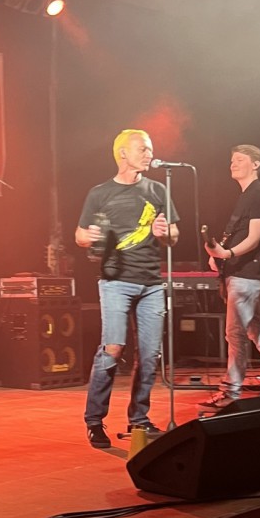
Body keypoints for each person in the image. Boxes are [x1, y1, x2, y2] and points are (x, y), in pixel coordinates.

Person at [76, 129, 179, 449]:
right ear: (123, 153)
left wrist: (165, 233)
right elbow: (79, 236)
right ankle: (95, 420)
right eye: (143, 149)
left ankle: (139, 418)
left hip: (151, 283)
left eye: (150, 149)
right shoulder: (100, 193)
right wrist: (89, 237)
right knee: (113, 349)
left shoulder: (158, 189)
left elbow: (174, 235)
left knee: (149, 355)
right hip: (115, 282)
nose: (149, 154)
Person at [199, 145, 260, 409]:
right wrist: (219, 255)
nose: (233, 164)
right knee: (257, 332)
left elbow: (254, 238)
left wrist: (228, 253)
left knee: (235, 334)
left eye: (240, 160)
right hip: (237, 274)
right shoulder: (246, 196)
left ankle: (231, 390)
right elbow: (240, 234)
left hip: (246, 276)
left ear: (255, 164)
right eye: (232, 160)